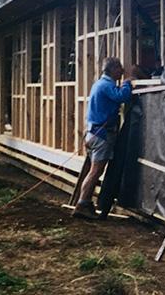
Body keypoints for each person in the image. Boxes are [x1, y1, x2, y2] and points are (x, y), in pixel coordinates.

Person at [72, 57, 133, 219]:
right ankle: (82, 203)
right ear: (112, 69)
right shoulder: (106, 85)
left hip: (94, 133)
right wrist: (128, 82)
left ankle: (84, 202)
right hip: (101, 135)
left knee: (94, 171)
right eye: (119, 68)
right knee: (95, 171)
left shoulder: (100, 84)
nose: (121, 71)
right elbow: (122, 97)